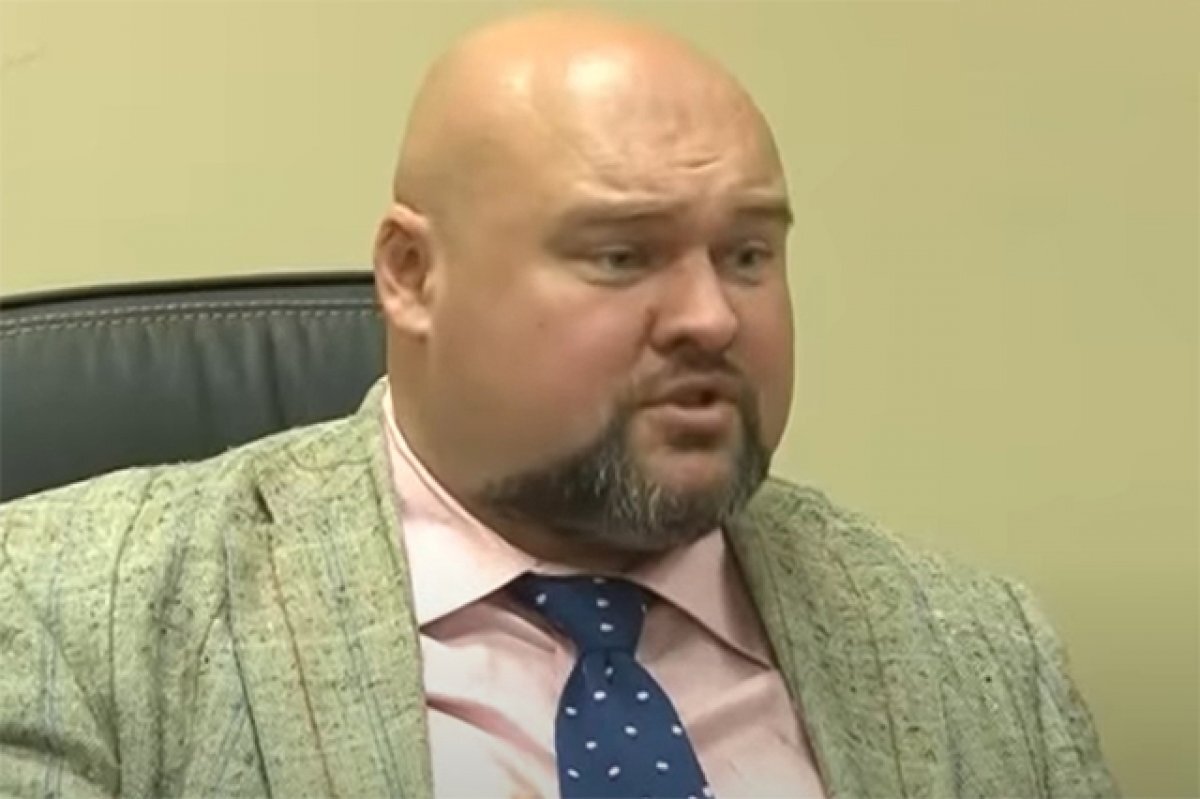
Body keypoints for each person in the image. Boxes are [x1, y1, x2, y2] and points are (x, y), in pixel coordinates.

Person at [0, 10, 1116, 799]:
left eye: (747, 254)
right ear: (411, 275)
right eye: (622, 254)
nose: (710, 318)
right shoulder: (71, 613)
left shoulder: (973, 648)